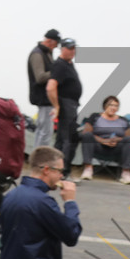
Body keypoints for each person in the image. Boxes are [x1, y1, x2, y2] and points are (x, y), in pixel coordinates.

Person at [0, 146, 81, 259]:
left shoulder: (11, 195)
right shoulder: (42, 201)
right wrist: (70, 202)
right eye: (60, 171)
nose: (61, 176)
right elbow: (71, 235)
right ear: (46, 170)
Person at [46, 37, 83, 176]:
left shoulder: (68, 64)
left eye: (74, 48)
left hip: (71, 105)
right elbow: (51, 87)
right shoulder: (60, 65)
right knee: (68, 139)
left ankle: (57, 170)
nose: (73, 51)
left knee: (64, 139)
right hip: (66, 105)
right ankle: (62, 172)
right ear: (62, 49)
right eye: (70, 48)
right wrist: (57, 106)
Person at [79, 96, 130, 184]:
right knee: (87, 136)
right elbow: (86, 132)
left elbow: (129, 136)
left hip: (116, 148)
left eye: (116, 106)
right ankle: (88, 169)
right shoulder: (95, 117)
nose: (113, 108)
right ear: (105, 106)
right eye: (110, 105)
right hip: (98, 147)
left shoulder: (123, 120)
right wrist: (102, 140)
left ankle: (126, 173)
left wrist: (117, 140)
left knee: (128, 140)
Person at [27, 29, 60, 148]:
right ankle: (41, 158)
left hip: (46, 99)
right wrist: (57, 72)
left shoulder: (46, 53)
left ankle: (37, 157)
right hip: (43, 98)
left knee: (42, 132)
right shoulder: (37, 54)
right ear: (50, 41)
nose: (56, 47)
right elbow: (40, 77)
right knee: (45, 133)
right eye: (56, 44)